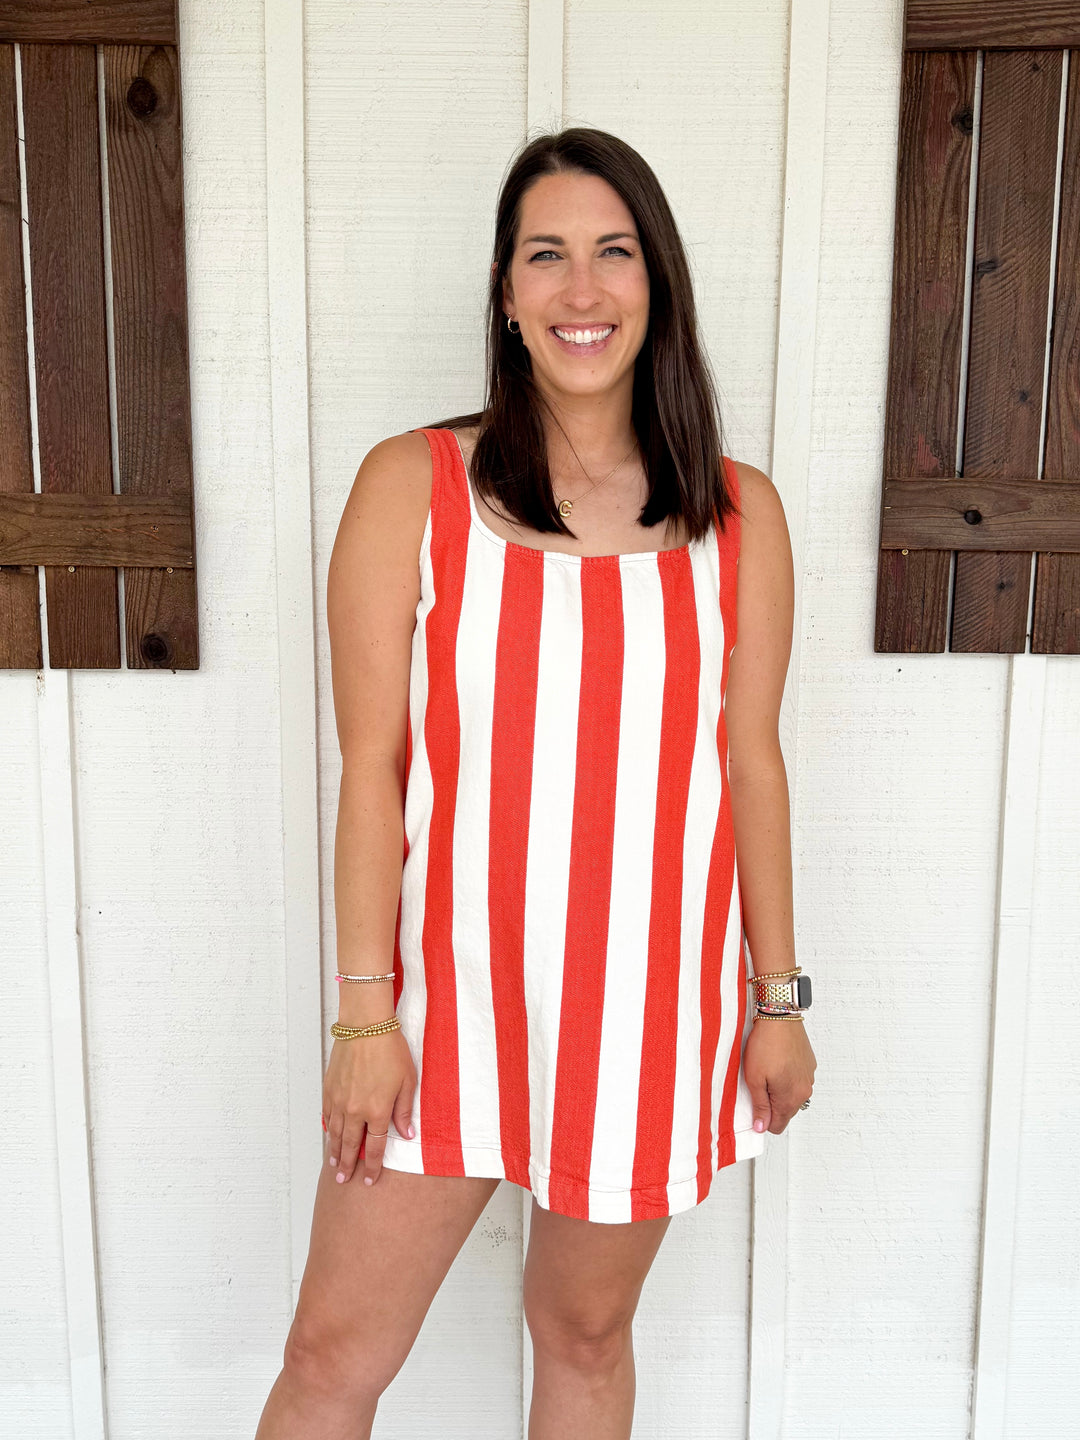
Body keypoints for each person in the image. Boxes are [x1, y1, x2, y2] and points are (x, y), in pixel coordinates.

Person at [255, 126, 816, 1440]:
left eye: (614, 253)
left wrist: (778, 1001)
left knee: (583, 1334)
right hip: (443, 1012)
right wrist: (363, 1020)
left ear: (656, 284)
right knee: (334, 1355)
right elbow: (372, 768)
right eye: (545, 255)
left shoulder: (739, 515)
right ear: (506, 294)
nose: (582, 289)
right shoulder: (414, 486)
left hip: (648, 1013)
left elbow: (751, 764)